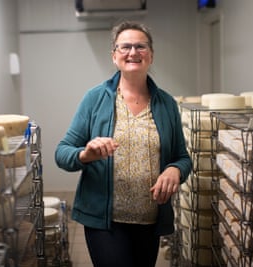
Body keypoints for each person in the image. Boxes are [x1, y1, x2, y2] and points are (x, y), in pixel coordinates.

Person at [55, 21, 192, 267]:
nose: (133, 52)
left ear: (150, 55)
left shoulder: (167, 104)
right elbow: (62, 153)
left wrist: (175, 169)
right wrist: (86, 154)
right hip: (105, 222)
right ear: (114, 55)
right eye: (125, 47)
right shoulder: (95, 99)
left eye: (140, 46)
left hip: (149, 221)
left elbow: (182, 157)